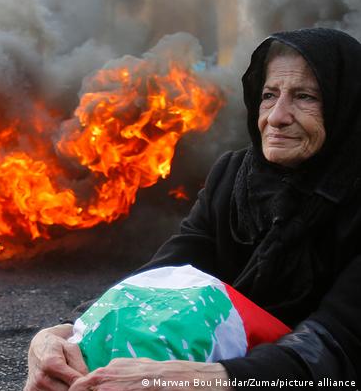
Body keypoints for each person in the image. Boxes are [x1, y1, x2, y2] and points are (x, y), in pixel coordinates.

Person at [25, 27, 361, 391]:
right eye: (269, 95)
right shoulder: (234, 178)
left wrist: (198, 379)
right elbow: (163, 276)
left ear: (346, 105)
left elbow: (336, 346)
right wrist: (64, 334)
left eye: (305, 97)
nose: (277, 116)